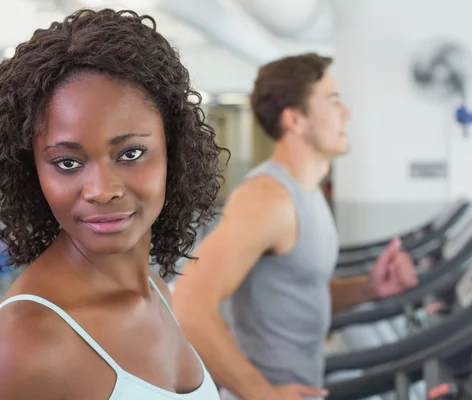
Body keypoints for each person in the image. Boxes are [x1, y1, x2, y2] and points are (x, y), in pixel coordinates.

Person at [0, 9, 227, 400]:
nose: (101, 190)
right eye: (68, 163)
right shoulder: (29, 341)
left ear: (174, 152)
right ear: (33, 173)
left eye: (131, 153)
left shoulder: (157, 292)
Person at [172, 53, 419, 400]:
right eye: (333, 102)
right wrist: (262, 394)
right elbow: (188, 306)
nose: (346, 113)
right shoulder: (267, 199)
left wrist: (368, 289)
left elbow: (303, 293)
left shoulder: (307, 193)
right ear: (296, 120)